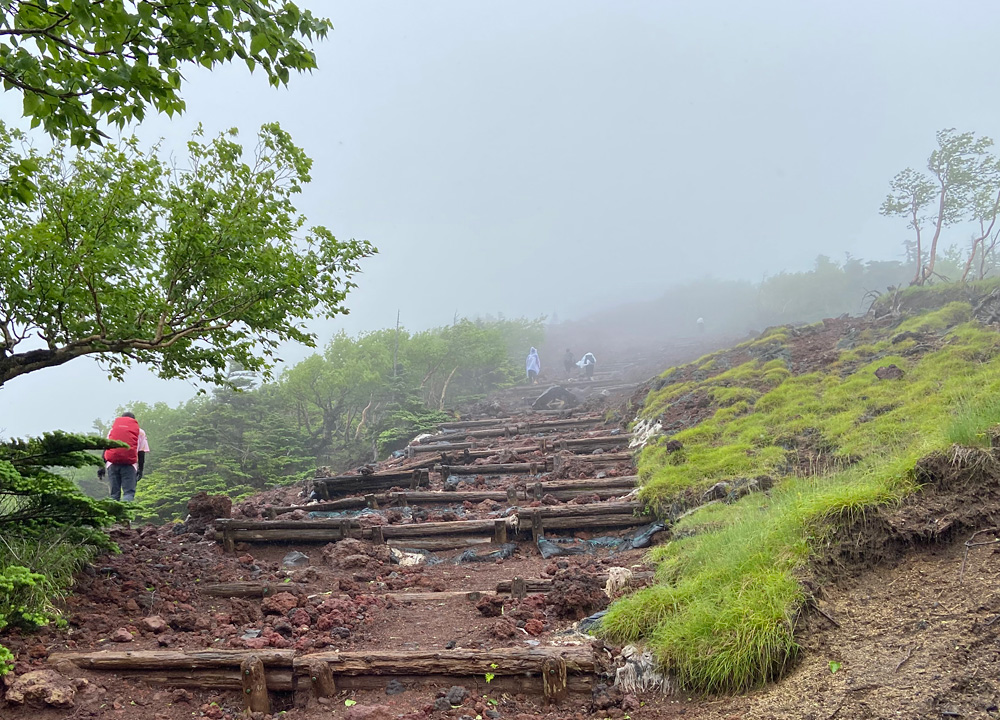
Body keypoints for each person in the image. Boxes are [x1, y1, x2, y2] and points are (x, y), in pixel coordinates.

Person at [105, 411, 150, 502]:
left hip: (112, 464)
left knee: (114, 494)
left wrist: (101, 466)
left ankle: (114, 515)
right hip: (130, 465)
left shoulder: (112, 430)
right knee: (128, 493)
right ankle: (126, 515)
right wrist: (140, 470)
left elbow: (106, 448)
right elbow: (141, 452)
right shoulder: (140, 432)